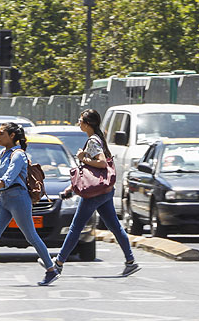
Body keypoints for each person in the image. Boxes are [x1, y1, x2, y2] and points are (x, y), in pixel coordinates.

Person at [0, 122, 60, 286]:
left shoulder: (19, 155)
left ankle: (51, 269)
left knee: (31, 236)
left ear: (12, 136)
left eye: (1, 133)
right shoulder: (2, 153)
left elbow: (7, 179)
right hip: (4, 199)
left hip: (18, 198)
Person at [52, 109, 140, 277]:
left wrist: (82, 157)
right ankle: (130, 261)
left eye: (80, 120)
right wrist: (71, 188)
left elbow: (100, 164)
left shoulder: (93, 141)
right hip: (104, 190)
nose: (79, 122)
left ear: (88, 124)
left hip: (94, 194)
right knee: (114, 226)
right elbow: (89, 171)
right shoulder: (98, 138)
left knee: (75, 228)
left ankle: (58, 264)